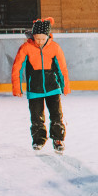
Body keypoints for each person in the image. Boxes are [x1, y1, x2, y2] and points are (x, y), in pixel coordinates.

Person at [11, 18, 70, 152]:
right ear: (33, 36)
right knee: (36, 117)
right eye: (37, 38)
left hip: (53, 88)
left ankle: (58, 139)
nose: (39, 42)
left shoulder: (55, 47)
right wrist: (17, 87)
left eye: (42, 39)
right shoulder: (26, 47)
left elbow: (62, 68)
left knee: (56, 115)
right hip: (34, 89)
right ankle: (38, 140)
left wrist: (65, 85)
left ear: (48, 36)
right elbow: (17, 68)